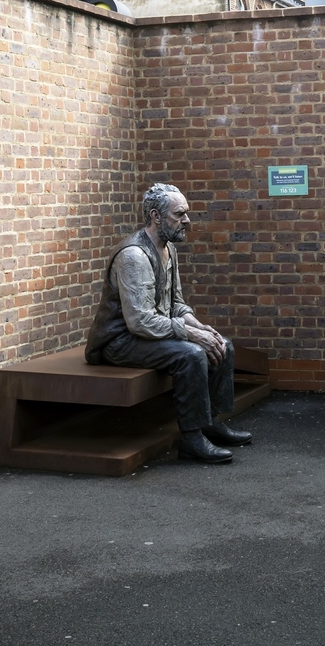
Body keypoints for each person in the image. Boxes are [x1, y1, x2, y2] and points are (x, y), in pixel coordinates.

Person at [85, 183, 251, 464]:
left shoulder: (168, 248)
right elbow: (139, 321)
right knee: (192, 354)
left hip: (149, 333)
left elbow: (175, 303)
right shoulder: (134, 256)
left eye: (186, 214)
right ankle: (192, 438)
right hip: (120, 341)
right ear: (156, 216)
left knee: (222, 344)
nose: (187, 221)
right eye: (180, 214)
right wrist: (189, 335)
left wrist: (197, 326)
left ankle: (211, 421)